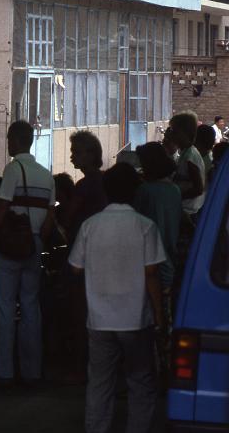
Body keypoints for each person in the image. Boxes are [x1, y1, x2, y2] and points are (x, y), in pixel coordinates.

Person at [68, 163, 166, 433]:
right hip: (136, 319)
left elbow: (76, 267)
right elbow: (152, 274)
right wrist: (159, 316)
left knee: (100, 383)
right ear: (136, 191)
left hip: (99, 320)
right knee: (140, 382)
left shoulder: (90, 225)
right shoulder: (145, 226)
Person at [0, 120, 55, 385]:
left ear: (16, 140)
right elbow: (51, 215)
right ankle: (32, 371)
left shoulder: (13, 169)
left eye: (9, 139)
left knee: (5, 308)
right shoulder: (46, 174)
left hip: (9, 247)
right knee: (31, 307)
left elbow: (1, 208)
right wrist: (39, 240)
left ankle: (4, 371)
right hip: (35, 244)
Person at [134, 142, 181, 372]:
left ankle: (152, 368)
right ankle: (167, 367)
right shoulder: (174, 191)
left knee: (150, 319)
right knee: (166, 318)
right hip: (169, 264)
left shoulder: (145, 192)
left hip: (148, 264)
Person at [62, 131, 108, 242]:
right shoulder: (106, 178)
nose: (72, 156)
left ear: (91, 155)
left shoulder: (84, 185)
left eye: (76, 152)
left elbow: (67, 219)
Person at [170, 112, 205, 218]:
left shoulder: (190, 156)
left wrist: (176, 197)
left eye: (173, 131)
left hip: (189, 212)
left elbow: (198, 189)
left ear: (183, 133)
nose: (171, 134)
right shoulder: (185, 153)